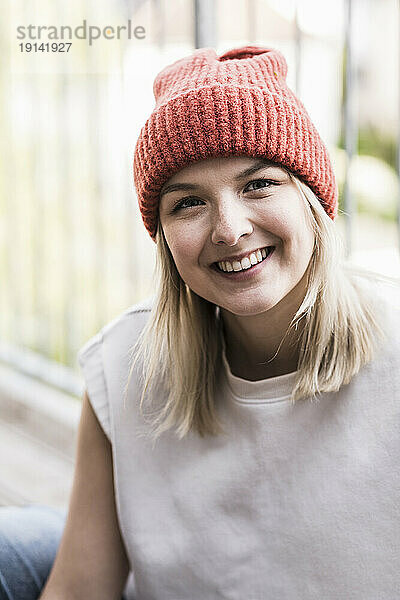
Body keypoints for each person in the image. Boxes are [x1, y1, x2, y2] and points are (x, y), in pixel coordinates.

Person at [1, 45, 400, 600]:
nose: (229, 229)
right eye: (188, 203)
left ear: (313, 199)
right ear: (163, 237)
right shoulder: (124, 364)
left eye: (258, 184)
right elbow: (78, 589)